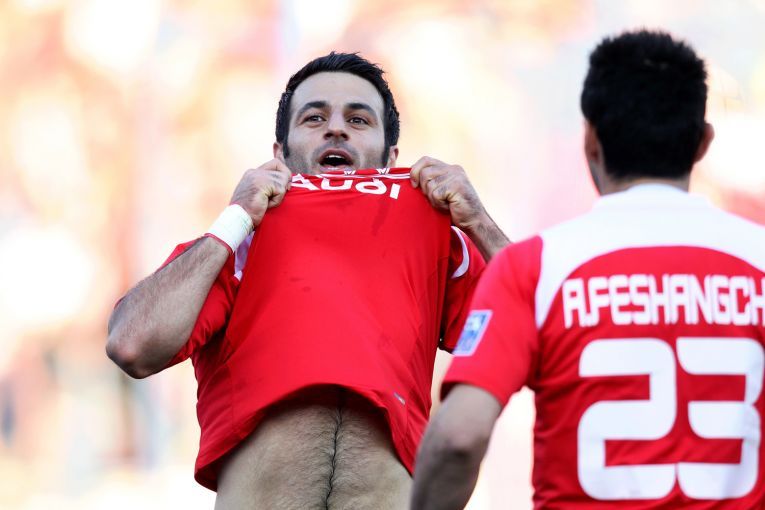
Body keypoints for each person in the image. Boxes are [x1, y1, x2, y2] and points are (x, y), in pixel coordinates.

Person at [106, 52, 509, 509]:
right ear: (280, 152)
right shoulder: (237, 241)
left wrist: (478, 220)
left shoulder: (436, 237)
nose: (336, 129)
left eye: (358, 119)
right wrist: (236, 218)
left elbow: (544, 329)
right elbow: (132, 345)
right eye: (314, 117)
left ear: (391, 156)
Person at [411, 29, 765, 509]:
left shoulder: (535, 267)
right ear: (703, 142)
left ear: (591, 141)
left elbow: (458, 437)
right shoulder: (757, 260)